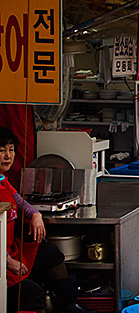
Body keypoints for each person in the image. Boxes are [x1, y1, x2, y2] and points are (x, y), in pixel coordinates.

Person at [0, 128, 96, 313]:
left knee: (51, 253)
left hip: (12, 251)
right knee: (32, 294)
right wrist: (8, 261)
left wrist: (35, 215)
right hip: (3, 260)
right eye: (2, 150)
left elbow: (22, 204)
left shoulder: (3, 181)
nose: (8, 156)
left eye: (11, 150)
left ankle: (69, 306)